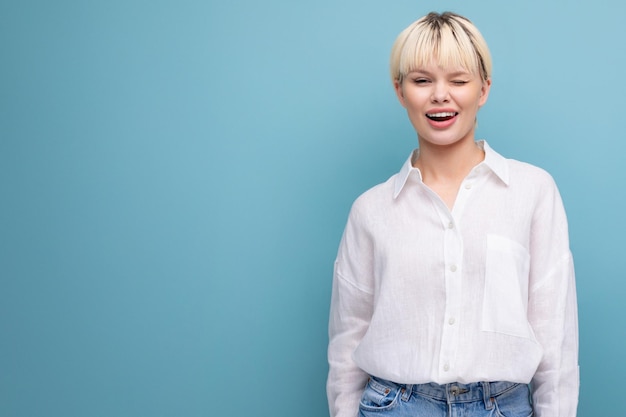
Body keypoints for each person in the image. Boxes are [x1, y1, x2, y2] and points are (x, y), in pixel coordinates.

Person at [327, 11, 579, 417]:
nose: (440, 95)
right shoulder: (370, 211)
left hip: (503, 406)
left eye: (458, 81)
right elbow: (346, 345)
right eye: (422, 80)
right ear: (400, 91)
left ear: (483, 89)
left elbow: (556, 342)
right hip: (394, 406)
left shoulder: (533, 192)